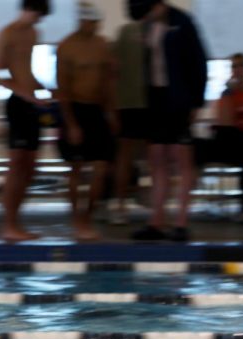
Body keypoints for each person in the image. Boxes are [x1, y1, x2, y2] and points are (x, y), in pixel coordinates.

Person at [129, 0, 207, 242]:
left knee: (181, 161)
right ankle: (156, 222)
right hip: (156, 99)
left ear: (157, 5)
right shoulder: (150, 26)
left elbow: (198, 62)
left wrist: (196, 101)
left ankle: (181, 223)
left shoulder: (183, 23)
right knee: (157, 160)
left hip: (180, 99)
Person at [55, 1, 116, 242]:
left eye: (96, 23)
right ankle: (76, 220)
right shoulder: (66, 47)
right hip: (75, 111)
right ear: (82, 21)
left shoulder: (102, 45)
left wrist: (111, 114)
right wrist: (71, 124)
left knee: (101, 169)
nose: (94, 26)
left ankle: (87, 217)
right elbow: (62, 89)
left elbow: (107, 84)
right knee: (76, 170)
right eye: (91, 22)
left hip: (97, 112)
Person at [0, 0, 50, 242]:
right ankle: (8, 225)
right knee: (17, 165)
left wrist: (41, 89)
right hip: (17, 104)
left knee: (30, 167)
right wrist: (22, 91)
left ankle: (16, 223)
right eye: (37, 15)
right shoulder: (7, 34)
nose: (38, 21)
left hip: (32, 103)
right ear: (30, 10)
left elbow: (26, 69)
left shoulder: (34, 32)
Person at [198, 54, 243, 239]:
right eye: (234, 67)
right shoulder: (229, 94)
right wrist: (227, 94)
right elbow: (224, 125)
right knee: (205, 144)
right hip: (235, 144)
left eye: (240, 66)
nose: (237, 70)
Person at [110, 14, 147, 227]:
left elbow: (113, 71)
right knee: (129, 157)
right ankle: (121, 203)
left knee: (134, 157)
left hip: (138, 104)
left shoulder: (128, 31)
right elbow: (113, 70)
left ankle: (123, 204)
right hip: (135, 104)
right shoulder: (129, 32)